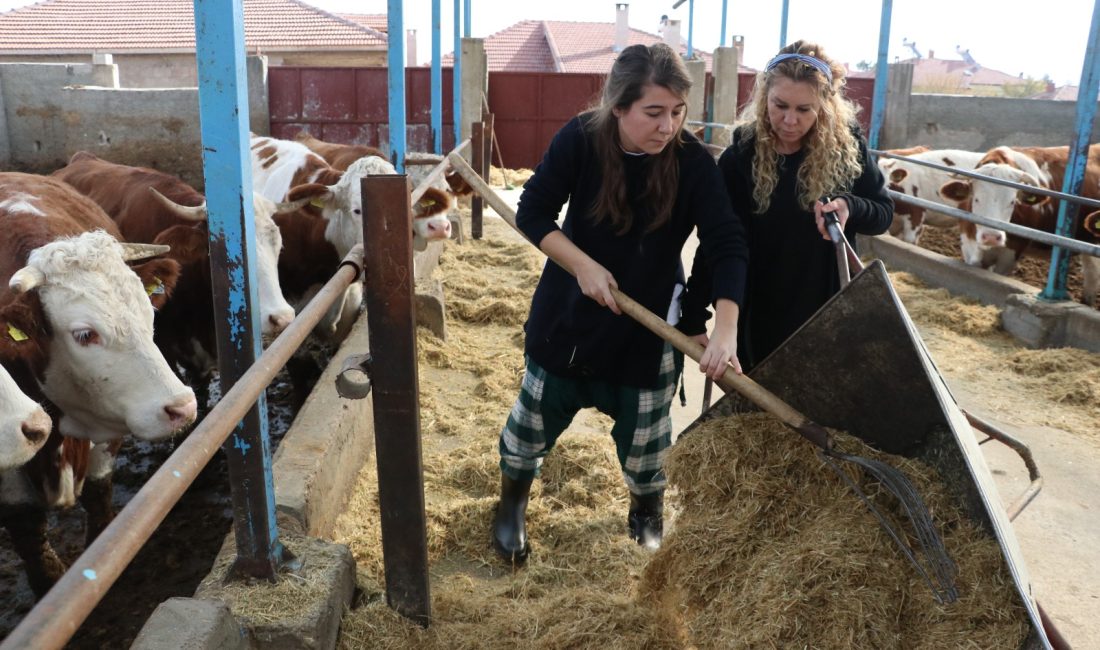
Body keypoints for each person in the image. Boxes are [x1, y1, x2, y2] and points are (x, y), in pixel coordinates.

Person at [492, 43, 749, 564]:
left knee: (648, 440)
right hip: (568, 317)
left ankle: (645, 510)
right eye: (654, 113)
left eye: (678, 112)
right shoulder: (581, 140)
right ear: (619, 106)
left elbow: (726, 242)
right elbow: (534, 210)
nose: (668, 126)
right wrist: (582, 264)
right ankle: (512, 503)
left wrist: (724, 327)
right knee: (532, 422)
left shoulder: (692, 161)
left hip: (650, 325)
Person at [680, 40, 893, 372]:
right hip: (759, 312)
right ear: (765, 95)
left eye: (804, 110)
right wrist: (694, 316)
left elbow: (883, 213)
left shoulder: (847, 147)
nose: (789, 120)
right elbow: (717, 241)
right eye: (780, 105)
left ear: (824, 106)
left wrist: (851, 206)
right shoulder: (741, 156)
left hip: (827, 311)